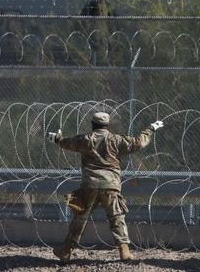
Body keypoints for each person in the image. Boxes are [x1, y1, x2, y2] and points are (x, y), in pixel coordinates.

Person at [47, 111, 164, 262]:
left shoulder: (85, 139)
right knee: (116, 217)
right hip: (111, 185)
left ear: (93, 124)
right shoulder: (116, 139)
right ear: (107, 125)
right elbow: (138, 143)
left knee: (80, 217)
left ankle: (66, 251)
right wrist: (151, 128)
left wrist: (56, 138)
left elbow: (66, 143)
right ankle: (124, 252)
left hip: (89, 184)